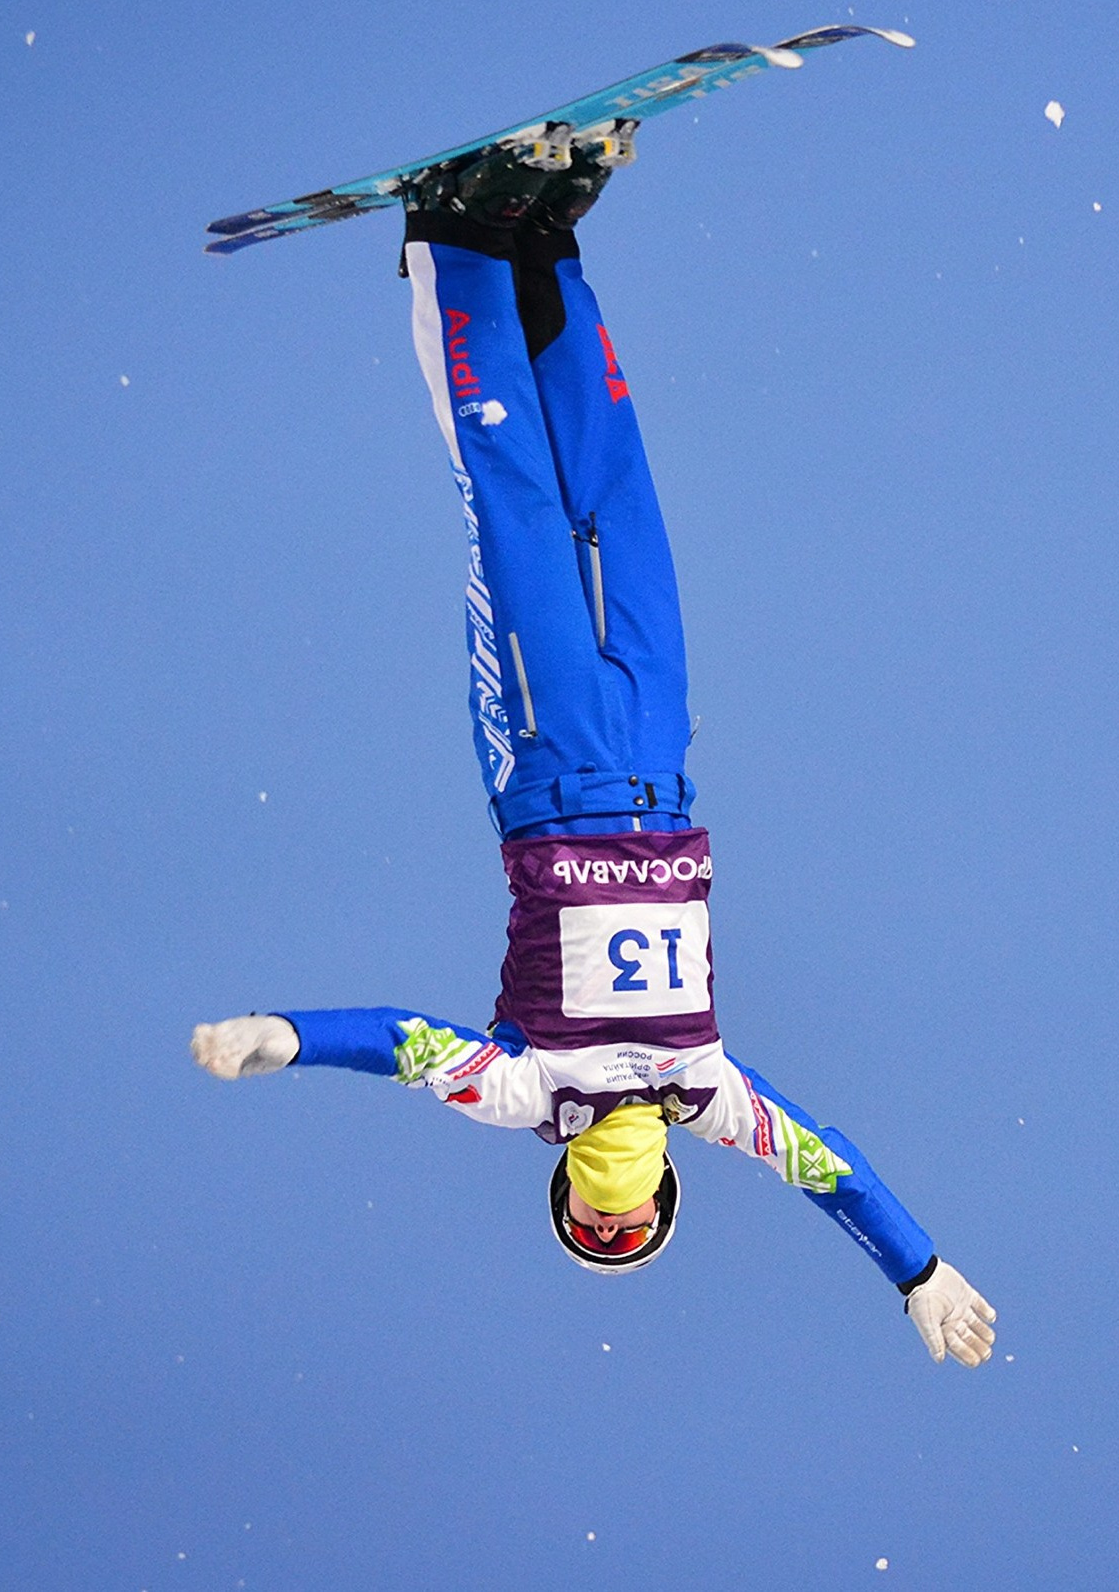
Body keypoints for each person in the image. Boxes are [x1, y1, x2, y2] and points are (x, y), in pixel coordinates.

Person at [188, 151, 997, 1367]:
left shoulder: (526, 1091)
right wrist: (919, 1270)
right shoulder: (709, 1092)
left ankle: (452, 245)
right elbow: (832, 1168)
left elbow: (403, 1040)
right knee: (618, 497)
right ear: (663, 1191)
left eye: (595, 1218)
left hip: (552, 766)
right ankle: (543, 241)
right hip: (658, 760)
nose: (616, 1205)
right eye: (634, 1218)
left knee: (513, 496)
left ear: (569, 1186)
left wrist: (285, 1035)